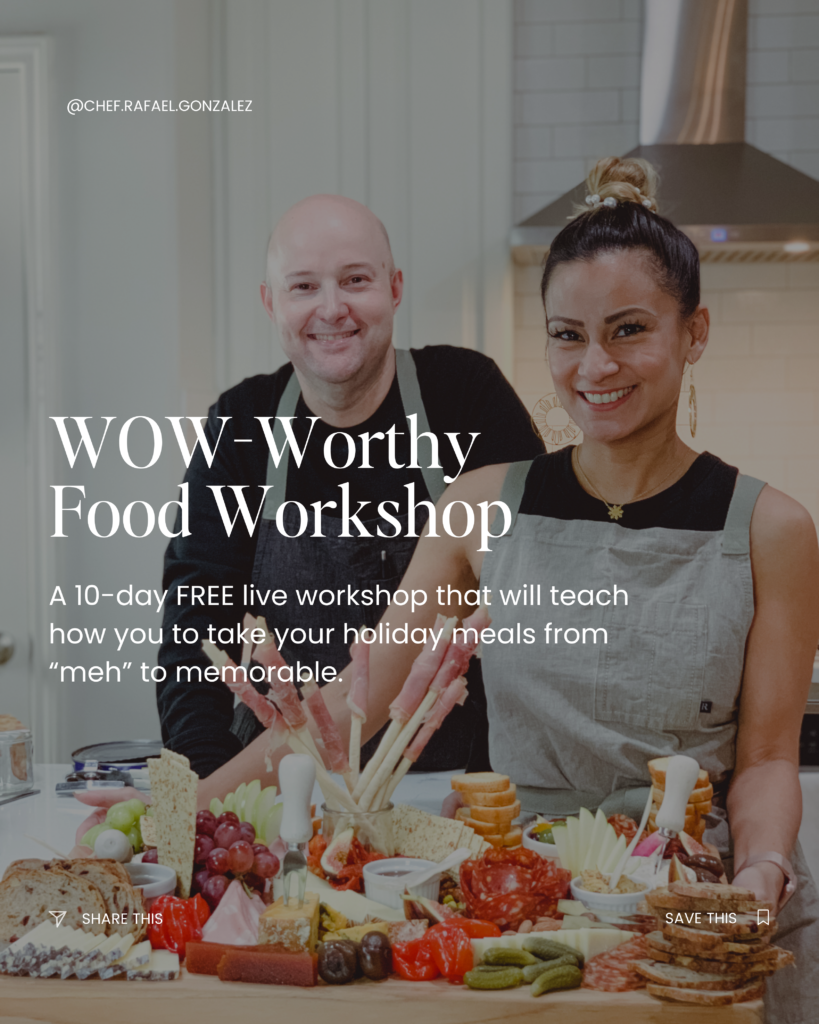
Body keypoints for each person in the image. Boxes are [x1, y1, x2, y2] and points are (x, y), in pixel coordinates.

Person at [203, 158, 818, 1020]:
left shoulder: (770, 529)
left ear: (694, 332)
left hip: (692, 900)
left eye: (628, 329)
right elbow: (354, 702)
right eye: (566, 335)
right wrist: (189, 807)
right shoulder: (480, 504)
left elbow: (762, 762)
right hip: (515, 908)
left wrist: (759, 873)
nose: (593, 365)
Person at [157, 194, 544, 780]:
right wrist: (212, 795)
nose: (332, 309)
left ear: (395, 288)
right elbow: (196, 631)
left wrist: (493, 782)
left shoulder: (467, 394)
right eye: (303, 287)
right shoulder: (240, 425)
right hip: (277, 777)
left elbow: (532, 607)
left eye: (355, 280)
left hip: (449, 777)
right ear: (271, 303)